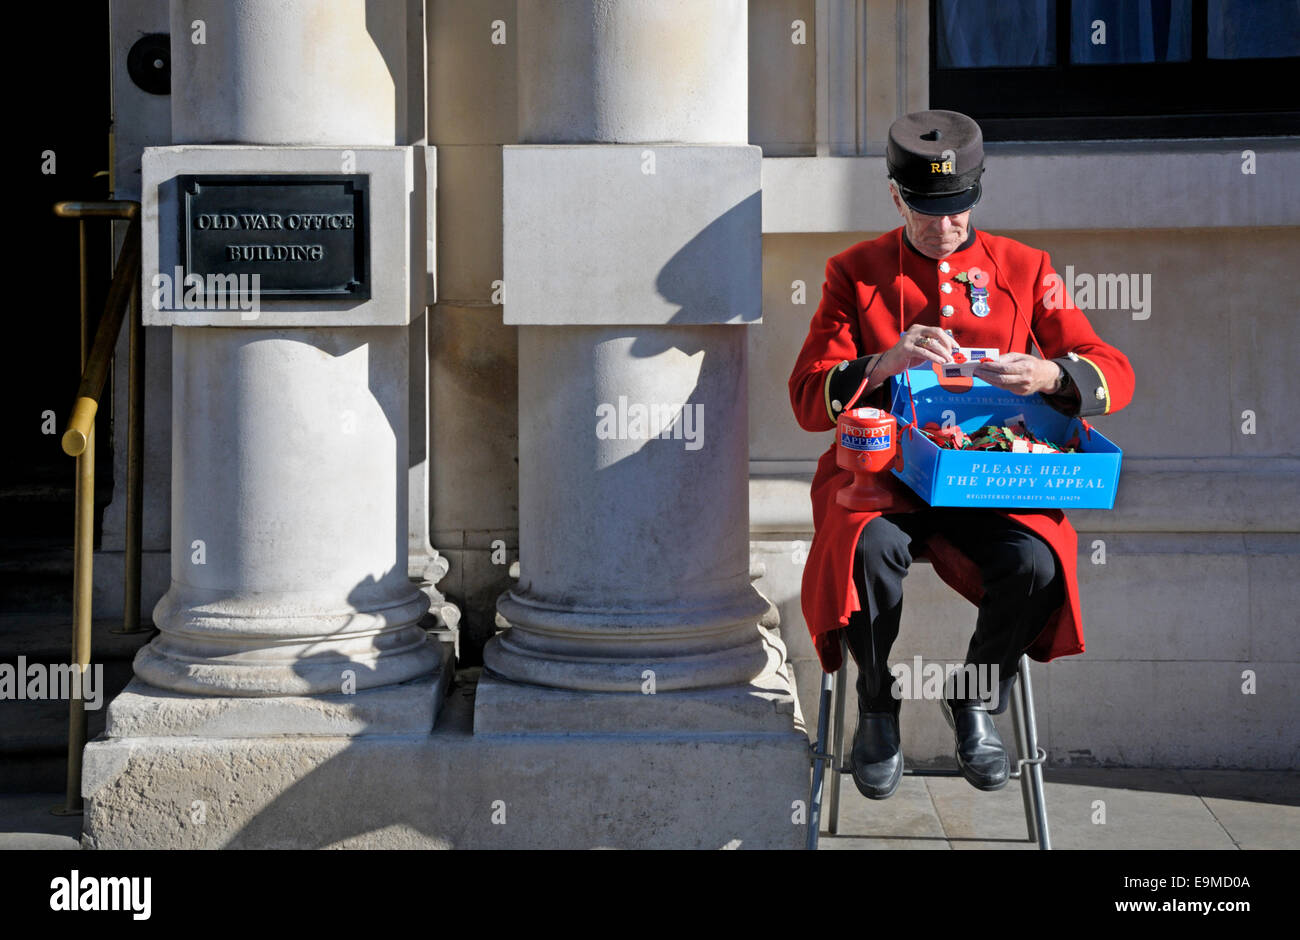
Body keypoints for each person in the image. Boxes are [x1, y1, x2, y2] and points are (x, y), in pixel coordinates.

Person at [787, 109, 1135, 799]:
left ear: (977, 196)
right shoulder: (852, 274)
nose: (941, 229)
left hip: (987, 478)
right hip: (883, 477)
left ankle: (976, 695)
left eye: (954, 212)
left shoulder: (1026, 269)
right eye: (924, 212)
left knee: (1037, 562)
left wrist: (1052, 375)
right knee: (866, 549)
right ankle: (879, 704)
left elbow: (1113, 369)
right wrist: (880, 364)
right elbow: (805, 397)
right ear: (895, 195)